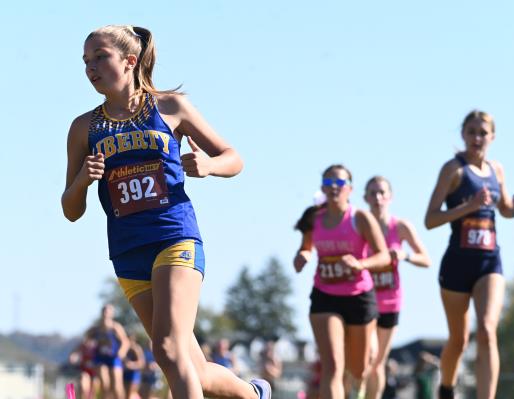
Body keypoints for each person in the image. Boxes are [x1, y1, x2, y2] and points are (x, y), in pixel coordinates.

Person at [62, 24, 270, 399]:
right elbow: (70, 210)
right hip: (127, 252)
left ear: (129, 60)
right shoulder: (83, 128)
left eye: (100, 57)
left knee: (168, 350)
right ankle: (255, 394)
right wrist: (82, 182)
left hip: (174, 238)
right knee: (195, 370)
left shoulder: (170, 106)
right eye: (85, 61)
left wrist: (208, 165)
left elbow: (233, 158)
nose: (90, 67)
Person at [424, 110, 514, 399]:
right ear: (463, 135)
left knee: (486, 330)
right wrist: (467, 207)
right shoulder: (453, 170)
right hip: (457, 263)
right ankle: (446, 388)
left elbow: (504, 208)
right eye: (471, 132)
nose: (477, 138)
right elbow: (430, 219)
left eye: (482, 132)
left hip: (489, 261)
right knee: (458, 341)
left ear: (492, 137)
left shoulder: (497, 170)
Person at [293, 164, 391, 399]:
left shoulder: (360, 218)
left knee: (358, 368)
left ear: (350, 189)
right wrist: (302, 256)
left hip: (359, 297)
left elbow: (384, 256)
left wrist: (360, 264)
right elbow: (306, 247)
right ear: (322, 189)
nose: (334, 188)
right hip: (325, 296)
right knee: (333, 366)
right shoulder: (314, 218)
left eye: (339, 183)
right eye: (328, 183)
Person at [362, 176, 431, 399]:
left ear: (390, 197)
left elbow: (425, 258)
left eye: (382, 192)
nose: (377, 198)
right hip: (363, 300)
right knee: (365, 358)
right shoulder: (359, 225)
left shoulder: (399, 227)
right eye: (372, 193)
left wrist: (405, 255)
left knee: (377, 361)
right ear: (365, 198)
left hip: (390, 301)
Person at [88, 304, 129, 399]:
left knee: (116, 386)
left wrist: (121, 352)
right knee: (104, 382)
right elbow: (87, 340)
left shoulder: (115, 327)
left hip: (114, 357)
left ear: (112, 314)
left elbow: (125, 341)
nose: (105, 313)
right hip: (100, 357)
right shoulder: (96, 329)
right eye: (104, 311)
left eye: (108, 311)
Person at [68, 329, 99, 399]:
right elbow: (75, 352)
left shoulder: (97, 346)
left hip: (95, 372)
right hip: (85, 371)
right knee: (83, 385)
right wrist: (73, 357)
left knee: (92, 392)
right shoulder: (83, 345)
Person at [123, 332, 145, 399]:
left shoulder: (136, 349)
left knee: (131, 395)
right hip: (125, 375)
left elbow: (142, 363)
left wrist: (131, 365)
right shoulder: (125, 349)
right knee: (125, 395)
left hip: (134, 375)